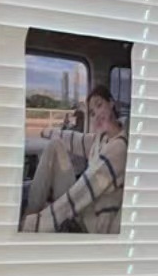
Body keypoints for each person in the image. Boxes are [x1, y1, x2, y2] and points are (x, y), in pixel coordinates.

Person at [21, 83, 128, 233]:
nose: (97, 114)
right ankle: (29, 214)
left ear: (111, 103)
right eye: (92, 113)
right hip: (86, 207)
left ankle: (28, 226)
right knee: (55, 145)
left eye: (99, 105)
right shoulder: (102, 139)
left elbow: (83, 190)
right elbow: (75, 140)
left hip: (92, 223)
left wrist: (37, 223)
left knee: (37, 221)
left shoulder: (119, 148)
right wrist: (46, 132)